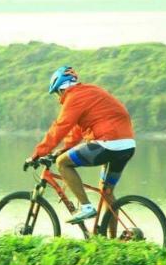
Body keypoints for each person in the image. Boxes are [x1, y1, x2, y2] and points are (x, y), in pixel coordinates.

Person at [25, 66, 135, 224]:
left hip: (108, 143)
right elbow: (76, 130)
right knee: (107, 192)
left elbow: (60, 127)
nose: (58, 97)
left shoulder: (73, 97)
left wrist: (37, 153)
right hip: (127, 145)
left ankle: (86, 207)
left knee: (62, 163)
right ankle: (113, 240)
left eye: (57, 93)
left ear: (61, 88)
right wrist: (63, 149)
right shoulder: (89, 91)